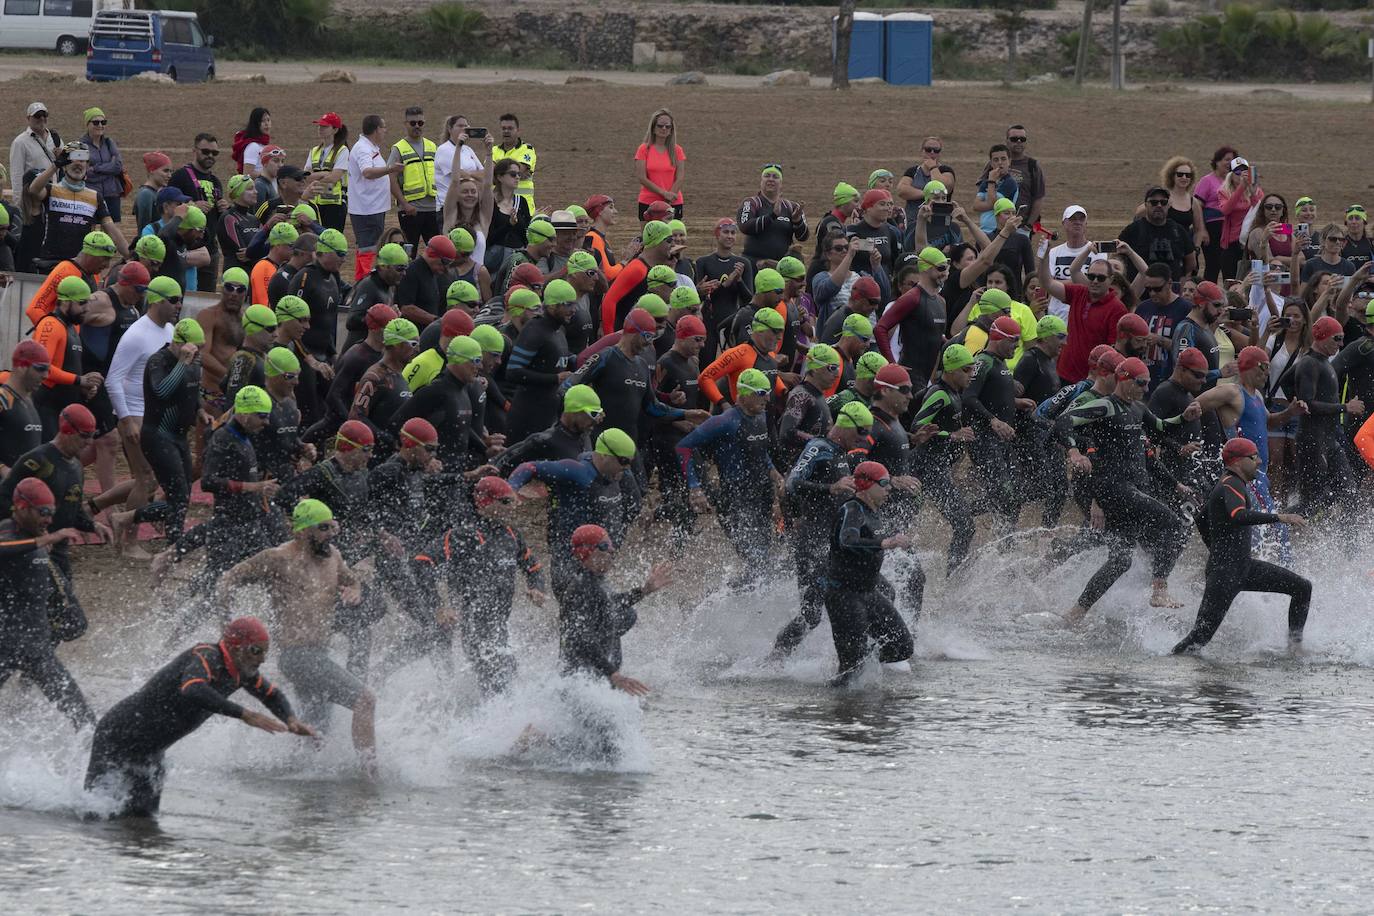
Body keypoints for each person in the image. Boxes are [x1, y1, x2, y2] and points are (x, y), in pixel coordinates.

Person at [84, 616, 313, 819]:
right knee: (94, 815)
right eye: (256, 650)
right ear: (235, 647)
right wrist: (244, 714)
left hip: (151, 752)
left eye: (265, 651)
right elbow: (192, 689)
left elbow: (271, 695)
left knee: (144, 822)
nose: (262, 659)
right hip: (118, 737)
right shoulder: (206, 656)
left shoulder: (243, 672)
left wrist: (290, 719)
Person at [1056, 357, 1199, 623]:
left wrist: (1183, 417)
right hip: (1114, 488)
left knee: (1121, 561)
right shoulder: (1105, 406)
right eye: (1141, 383)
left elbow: (1160, 427)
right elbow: (1064, 421)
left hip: (1130, 489)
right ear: (1123, 378)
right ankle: (1159, 591)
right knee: (1173, 524)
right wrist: (1074, 451)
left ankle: (1076, 613)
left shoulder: (1137, 408)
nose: (1145, 388)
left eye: (1147, 383)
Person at [1171, 437, 1311, 654]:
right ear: (1238, 461)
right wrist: (1280, 517)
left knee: (1302, 587)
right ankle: (1169, 661)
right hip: (1225, 573)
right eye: (1254, 457)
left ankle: (1295, 646)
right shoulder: (1231, 483)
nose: (1259, 461)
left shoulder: (1229, 483)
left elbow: (1200, 518)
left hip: (1243, 567)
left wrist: (1216, 548)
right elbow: (1238, 515)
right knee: (1199, 638)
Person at [416, 476, 546, 697]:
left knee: (509, 674)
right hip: (474, 624)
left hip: (498, 625)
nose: (513, 506)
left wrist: (537, 588)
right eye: (505, 502)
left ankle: (485, 721)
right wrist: (439, 607)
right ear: (485, 503)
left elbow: (533, 567)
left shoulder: (512, 535)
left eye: (513, 500)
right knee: (496, 679)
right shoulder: (462, 535)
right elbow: (421, 562)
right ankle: (492, 725)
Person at [772, 401, 873, 661]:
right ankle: (776, 658)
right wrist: (831, 489)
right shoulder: (819, 448)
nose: (865, 439)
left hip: (832, 543)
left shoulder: (841, 452)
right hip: (811, 541)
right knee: (811, 614)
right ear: (847, 427)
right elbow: (792, 484)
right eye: (862, 432)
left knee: (868, 592)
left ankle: (865, 656)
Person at [0, 478, 94, 730]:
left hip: (36, 650)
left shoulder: (38, 540)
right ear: (21, 507)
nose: (49, 520)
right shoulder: (8, 533)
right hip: (4, 646)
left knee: (83, 718)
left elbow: (54, 588)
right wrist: (42, 541)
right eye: (43, 513)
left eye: (51, 514)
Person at [103, 275, 181, 557]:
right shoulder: (136, 334)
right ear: (157, 299)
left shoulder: (170, 331)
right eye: (174, 300)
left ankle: (97, 508)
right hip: (133, 412)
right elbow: (112, 380)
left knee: (146, 476)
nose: (179, 305)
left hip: (155, 415)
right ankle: (129, 543)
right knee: (146, 478)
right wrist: (125, 420)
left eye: (180, 300)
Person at [821, 461, 916, 686]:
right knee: (850, 669)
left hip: (868, 593)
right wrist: (885, 542)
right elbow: (847, 540)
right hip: (844, 596)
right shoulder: (851, 509)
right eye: (884, 483)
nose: (889, 488)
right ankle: (835, 709)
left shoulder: (874, 511)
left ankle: (867, 666)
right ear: (866, 485)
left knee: (902, 645)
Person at [507, 428, 638, 590]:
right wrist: (511, 490)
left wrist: (612, 544)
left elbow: (633, 507)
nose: (626, 467)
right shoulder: (577, 471)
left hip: (598, 560)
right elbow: (529, 468)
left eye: (630, 462)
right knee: (583, 606)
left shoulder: (621, 474)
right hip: (568, 561)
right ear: (605, 455)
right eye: (623, 461)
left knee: (617, 611)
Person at [556, 523, 670, 698]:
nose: (611, 551)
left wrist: (644, 590)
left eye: (611, 545)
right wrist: (612, 673)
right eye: (604, 546)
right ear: (587, 551)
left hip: (597, 678)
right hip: (581, 684)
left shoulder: (597, 581)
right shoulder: (581, 588)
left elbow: (611, 604)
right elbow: (578, 637)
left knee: (629, 614)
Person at [1294, 316, 1362, 516]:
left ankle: (1348, 546)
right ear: (1322, 338)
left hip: (1329, 439)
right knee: (1312, 503)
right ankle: (1275, 527)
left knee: (1349, 493)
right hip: (1312, 440)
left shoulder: (1322, 362)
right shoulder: (1309, 363)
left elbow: (1288, 382)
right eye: (1337, 339)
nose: (1341, 344)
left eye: (1342, 339)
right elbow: (1309, 404)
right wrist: (1345, 407)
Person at [1034, 238, 1126, 384]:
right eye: (1091, 276)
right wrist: (1044, 257)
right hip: (1063, 372)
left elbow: (1113, 352)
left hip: (1091, 381)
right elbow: (1047, 283)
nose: (1095, 281)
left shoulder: (1117, 308)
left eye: (1101, 278)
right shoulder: (1079, 292)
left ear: (1111, 279)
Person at [27, 142, 130, 266]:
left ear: (87, 165)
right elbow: (33, 190)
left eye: (82, 160)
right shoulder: (51, 190)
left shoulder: (95, 197)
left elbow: (112, 231)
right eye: (73, 160)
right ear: (64, 166)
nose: (78, 164)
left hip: (81, 265)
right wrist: (55, 165)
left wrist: (131, 257)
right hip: (51, 262)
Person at [506, 280, 577, 443]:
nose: (573, 310)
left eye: (574, 304)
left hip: (549, 415)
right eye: (567, 305)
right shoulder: (534, 330)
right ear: (552, 306)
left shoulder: (559, 330)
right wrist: (555, 379)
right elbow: (513, 372)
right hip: (526, 417)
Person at [32, 276, 101, 439]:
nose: (87, 308)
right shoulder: (50, 325)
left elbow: (67, 365)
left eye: (88, 303)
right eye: (82, 303)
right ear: (65, 302)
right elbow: (42, 368)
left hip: (64, 407)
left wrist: (82, 388)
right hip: (46, 407)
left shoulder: (72, 327)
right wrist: (79, 380)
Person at [166, 132, 225, 294]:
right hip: (186, 248)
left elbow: (217, 221)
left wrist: (223, 210)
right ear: (194, 151)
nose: (210, 156)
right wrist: (191, 205)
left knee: (207, 297)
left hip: (210, 250)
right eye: (205, 151)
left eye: (215, 153)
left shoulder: (216, 181)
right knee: (182, 294)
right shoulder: (180, 176)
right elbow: (168, 208)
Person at [348, 114, 403, 281]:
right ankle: (366, 283)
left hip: (372, 208)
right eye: (383, 127)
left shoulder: (370, 148)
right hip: (367, 210)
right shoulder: (363, 149)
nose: (385, 131)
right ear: (376, 129)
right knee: (369, 250)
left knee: (366, 249)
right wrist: (390, 169)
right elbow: (367, 172)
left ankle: (360, 282)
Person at [1118, 186, 1196, 281]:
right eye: (1154, 202)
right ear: (1146, 205)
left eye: (1163, 202)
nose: (1159, 205)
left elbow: (1191, 262)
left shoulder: (1178, 230)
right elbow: (1117, 256)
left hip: (1171, 291)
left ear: (1168, 205)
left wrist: (1182, 280)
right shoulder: (1133, 229)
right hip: (1140, 292)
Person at [388, 106, 439, 249]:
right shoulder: (398, 148)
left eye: (420, 123)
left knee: (437, 252)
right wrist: (405, 205)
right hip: (411, 211)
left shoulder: (432, 146)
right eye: (412, 123)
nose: (417, 126)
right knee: (409, 252)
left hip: (432, 210)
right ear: (405, 124)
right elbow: (390, 179)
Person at [737, 164, 808, 265]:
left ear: (781, 183)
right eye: (767, 176)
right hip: (754, 264)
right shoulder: (751, 202)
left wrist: (797, 221)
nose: (771, 179)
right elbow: (745, 226)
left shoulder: (792, 207)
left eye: (775, 177)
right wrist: (772, 216)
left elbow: (803, 237)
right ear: (761, 181)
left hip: (781, 266)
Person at [0, 341, 51, 475]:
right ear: (22, 366)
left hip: (24, 490)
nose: (46, 375)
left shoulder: (29, 401)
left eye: (48, 370)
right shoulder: (3, 398)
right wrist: (3, 469)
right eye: (40, 368)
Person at [1044, 205, 1095, 319]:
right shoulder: (1053, 252)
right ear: (1064, 223)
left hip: (1085, 314)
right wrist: (1080, 280)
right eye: (1072, 219)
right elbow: (1046, 284)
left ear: (1086, 223)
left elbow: (1093, 285)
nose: (1077, 222)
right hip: (1057, 315)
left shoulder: (1096, 251)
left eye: (1081, 219)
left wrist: (1056, 284)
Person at [635, 108, 685, 219]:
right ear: (653, 128)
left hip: (673, 201)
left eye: (668, 126)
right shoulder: (643, 149)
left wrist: (670, 196)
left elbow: (680, 177)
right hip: (648, 201)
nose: (664, 128)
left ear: (671, 129)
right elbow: (642, 178)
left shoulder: (677, 150)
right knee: (648, 236)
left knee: (674, 236)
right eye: (660, 125)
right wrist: (663, 193)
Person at [79, 107, 125, 225]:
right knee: (92, 231)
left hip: (112, 193)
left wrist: (96, 168)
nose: (100, 125)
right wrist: (109, 168)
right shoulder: (81, 145)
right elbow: (84, 173)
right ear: (87, 124)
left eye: (103, 122)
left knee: (114, 231)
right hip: (92, 195)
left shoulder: (109, 143)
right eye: (96, 122)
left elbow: (118, 167)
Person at [306, 112, 350, 232]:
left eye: (325, 126)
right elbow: (305, 176)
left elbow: (334, 177)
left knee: (331, 240)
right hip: (315, 204)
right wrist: (325, 174)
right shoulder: (314, 151)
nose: (320, 129)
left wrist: (315, 177)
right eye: (320, 126)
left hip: (335, 205)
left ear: (335, 130)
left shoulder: (342, 150)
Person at [9, 101, 61, 199]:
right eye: (37, 115)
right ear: (28, 118)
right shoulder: (20, 142)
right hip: (32, 198)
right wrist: (19, 204)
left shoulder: (55, 138)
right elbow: (16, 176)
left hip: (54, 197)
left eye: (44, 115)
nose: (42, 118)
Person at [491, 113, 537, 206]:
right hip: (497, 204)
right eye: (503, 128)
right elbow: (488, 175)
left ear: (518, 131)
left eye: (510, 128)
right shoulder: (493, 150)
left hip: (522, 205)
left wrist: (497, 168)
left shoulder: (527, 149)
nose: (506, 131)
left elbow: (519, 170)